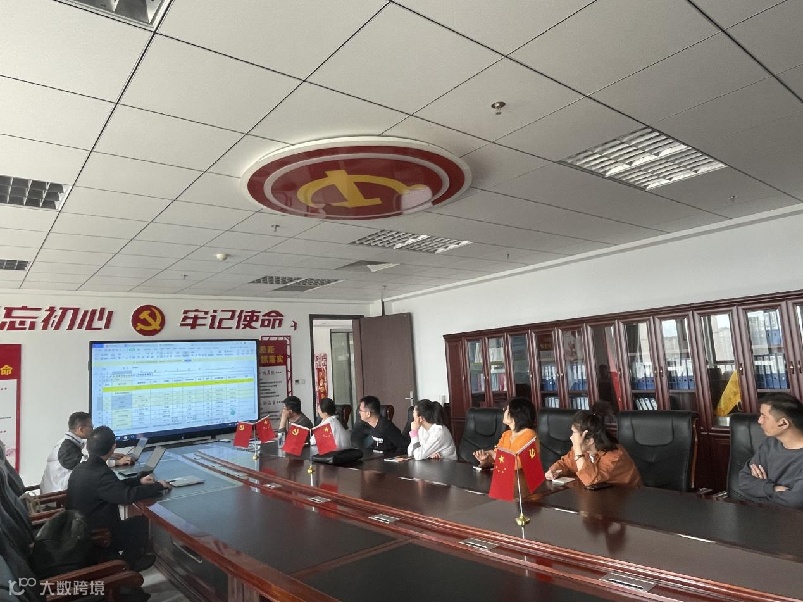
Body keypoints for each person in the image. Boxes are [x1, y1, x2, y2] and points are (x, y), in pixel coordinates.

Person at [66, 426, 171, 572]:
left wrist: (138, 481)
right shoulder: (101, 474)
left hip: (79, 529)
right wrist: (158, 486)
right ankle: (127, 565)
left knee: (134, 522)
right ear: (113, 447)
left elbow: (114, 488)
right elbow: (126, 496)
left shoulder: (82, 468)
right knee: (140, 523)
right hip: (98, 534)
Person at [737, 393, 803, 509]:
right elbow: (743, 481)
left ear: (783, 423)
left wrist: (759, 489)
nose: (759, 421)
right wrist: (772, 489)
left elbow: (796, 501)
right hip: (764, 514)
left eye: (764, 416)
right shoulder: (770, 444)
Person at [545, 409, 641, 488]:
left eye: (574, 433)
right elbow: (566, 463)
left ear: (590, 440)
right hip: (599, 497)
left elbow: (590, 480)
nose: (571, 437)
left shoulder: (615, 456)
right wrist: (554, 470)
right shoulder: (584, 450)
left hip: (626, 499)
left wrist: (578, 448)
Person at [41, 412, 133, 494]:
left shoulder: (69, 442)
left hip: (56, 488)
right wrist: (116, 462)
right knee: (104, 489)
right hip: (56, 495)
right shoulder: (66, 448)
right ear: (81, 429)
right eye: (90, 426)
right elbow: (87, 465)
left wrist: (108, 454)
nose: (93, 429)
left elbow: (87, 457)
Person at [474, 397, 538, 468]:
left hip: (522, 475)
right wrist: (486, 459)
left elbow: (518, 464)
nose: (504, 411)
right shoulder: (507, 434)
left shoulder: (530, 435)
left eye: (507, 409)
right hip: (505, 473)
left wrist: (493, 454)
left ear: (515, 415)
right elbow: (497, 459)